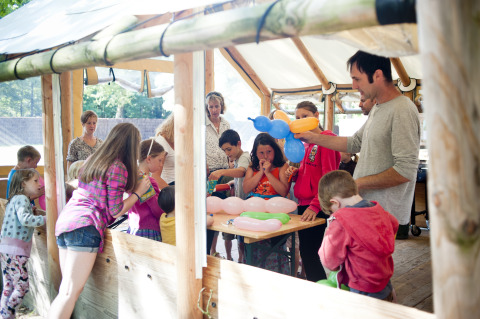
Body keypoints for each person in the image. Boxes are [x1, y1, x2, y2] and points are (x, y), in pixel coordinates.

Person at [295, 51, 420, 239]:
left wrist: (356, 183)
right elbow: (354, 143)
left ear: (377, 75)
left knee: (369, 268)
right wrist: (312, 138)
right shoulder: (378, 108)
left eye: (357, 79)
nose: (354, 85)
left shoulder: (402, 109)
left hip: (382, 214)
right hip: (366, 210)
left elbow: (405, 171)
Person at [48, 123, 151, 319]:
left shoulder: (93, 160)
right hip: (86, 225)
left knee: (65, 291)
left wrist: (130, 186)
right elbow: (115, 210)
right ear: (132, 145)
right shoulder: (118, 167)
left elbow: (103, 193)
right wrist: (138, 192)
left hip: (67, 220)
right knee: (69, 293)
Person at [318, 170, 398, 301]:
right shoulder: (378, 210)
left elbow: (329, 260)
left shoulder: (341, 221)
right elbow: (394, 223)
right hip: (385, 281)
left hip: (362, 288)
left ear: (335, 203)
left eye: (332, 210)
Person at [285, 101, 341, 282]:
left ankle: (320, 291)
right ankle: (316, 288)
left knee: (310, 253)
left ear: (316, 116)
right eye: (297, 117)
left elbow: (329, 179)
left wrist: (316, 206)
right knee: (307, 253)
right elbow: (310, 173)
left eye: (305, 116)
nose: (300, 121)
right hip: (303, 204)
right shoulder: (305, 144)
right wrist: (295, 175)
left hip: (316, 206)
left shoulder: (327, 139)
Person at [0, 169, 46, 318]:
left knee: (9, 286)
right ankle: (7, 314)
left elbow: (20, 219)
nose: (39, 184)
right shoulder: (22, 199)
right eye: (35, 181)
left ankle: (5, 314)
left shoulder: (15, 199)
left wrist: (31, 212)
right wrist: (47, 219)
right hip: (16, 251)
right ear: (23, 183)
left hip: (6, 249)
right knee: (22, 287)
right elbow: (25, 220)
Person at [242, 133, 290, 274]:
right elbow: (246, 188)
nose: (265, 156)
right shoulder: (252, 167)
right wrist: (260, 173)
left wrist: (268, 173)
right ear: (255, 154)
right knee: (255, 248)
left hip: (274, 215)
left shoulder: (282, 166)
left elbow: (283, 191)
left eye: (269, 152)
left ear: (275, 150)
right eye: (261, 153)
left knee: (273, 250)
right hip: (254, 214)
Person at [210, 129, 251, 262]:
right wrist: (233, 181)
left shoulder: (244, 156)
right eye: (224, 151)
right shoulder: (238, 158)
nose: (227, 154)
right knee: (240, 239)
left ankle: (242, 260)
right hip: (241, 204)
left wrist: (222, 172)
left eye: (229, 149)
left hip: (247, 204)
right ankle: (241, 259)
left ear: (238, 143)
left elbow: (242, 172)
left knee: (244, 239)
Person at [205, 91, 231, 256]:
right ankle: (213, 250)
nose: (214, 109)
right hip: (211, 174)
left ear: (221, 106)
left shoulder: (226, 124)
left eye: (217, 106)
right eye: (211, 107)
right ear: (207, 108)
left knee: (227, 208)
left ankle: (229, 251)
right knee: (212, 209)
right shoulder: (203, 125)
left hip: (227, 171)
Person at [127, 139, 166, 241]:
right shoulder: (148, 181)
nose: (161, 164)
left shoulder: (133, 177)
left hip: (133, 228)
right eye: (160, 160)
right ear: (148, 159)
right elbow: (157, 210)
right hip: (148, 231)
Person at [6, 145, 45, 210]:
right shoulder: (16, 176)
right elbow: (15, 201)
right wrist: (36, 195)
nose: (36, 166)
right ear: (28, 160)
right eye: (35, 163)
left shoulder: (19, 173)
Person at [153, 113, 175, 188]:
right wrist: (172, 194)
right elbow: (155, 176)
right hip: (169, 186)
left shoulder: (178, 141)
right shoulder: (162, 142)